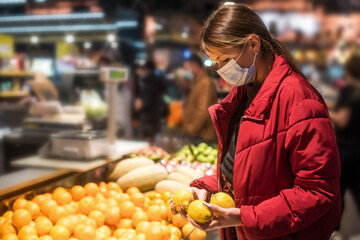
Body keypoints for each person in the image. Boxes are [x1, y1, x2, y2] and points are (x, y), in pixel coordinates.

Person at [171, 4, 341, 240]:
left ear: (253, 44)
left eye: (225, 59)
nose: (221, 70)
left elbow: (317, 192)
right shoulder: (242, 95)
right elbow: (251, 174)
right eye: (215, 62)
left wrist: (244, 217)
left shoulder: (300, 102)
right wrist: (204, 188)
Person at [329, 52, 360, 230]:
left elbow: (342, 120)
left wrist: (324, 107)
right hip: (358, 148)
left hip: (344, 150)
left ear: (348, 71)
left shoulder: (348, 91)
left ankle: (335, 230)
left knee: (338, 192)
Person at [182, 55, 218, 143]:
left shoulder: (205, 83)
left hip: (202, 134)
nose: (187, 72)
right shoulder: (197, 82)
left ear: (195, 66)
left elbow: (203, 110)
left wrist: (192, 129)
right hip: (197, 133)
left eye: (187, 68)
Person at [135, 60, 166, 142]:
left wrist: (139, 107)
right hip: (154, 116)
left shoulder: (148, 83)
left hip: (147, 117)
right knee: (152, 139)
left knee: (147, 140)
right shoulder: (157, 81)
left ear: (147, 69)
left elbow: (146, 101)